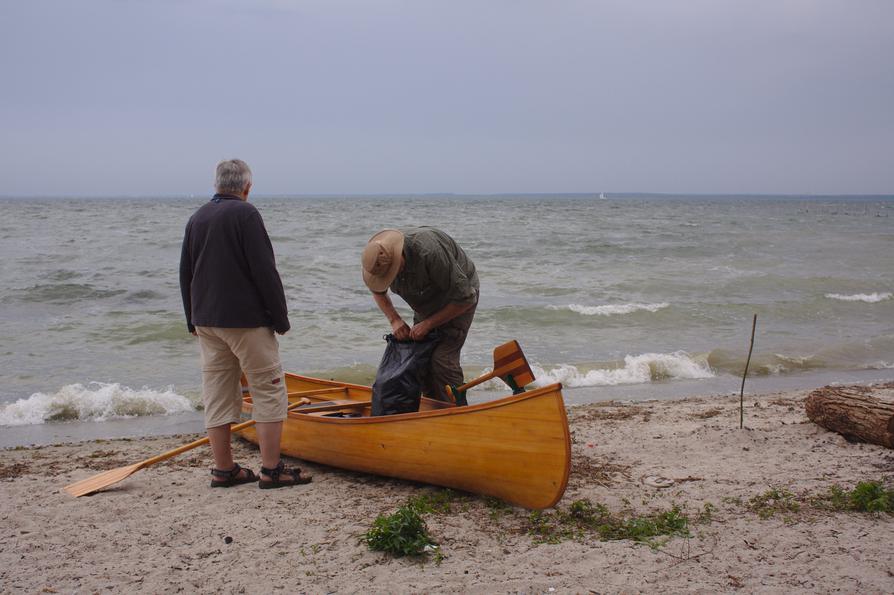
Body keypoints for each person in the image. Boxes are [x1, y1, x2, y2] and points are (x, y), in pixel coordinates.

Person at [179, 159, 310, 489]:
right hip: (245, 320)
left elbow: (186, 272)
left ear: (216, 185)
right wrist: (280, 318)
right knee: (268, 390)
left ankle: (224, 470)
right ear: (247, 188)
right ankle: (271, 469)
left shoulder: (198, 217)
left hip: (206, 319)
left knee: (219, 393)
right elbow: (264, 269)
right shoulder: (246, 214)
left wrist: (191, 318)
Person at [361, 227, 479, 404]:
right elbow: (377, 291)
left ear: (398, 254)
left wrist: (428, 324)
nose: (391, 278)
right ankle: (432, 412)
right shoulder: (373, 263)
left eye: (392, 272)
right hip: (425, 302)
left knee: (442, 361)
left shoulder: (429, 252)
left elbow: (466, 298)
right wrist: (395, 320)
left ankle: (458, 412)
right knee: (419, 361)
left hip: (458, 297)